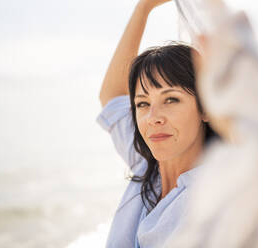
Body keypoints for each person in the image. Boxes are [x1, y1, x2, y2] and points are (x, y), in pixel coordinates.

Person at [96, 0, 220, 247]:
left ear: (206, 107)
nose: (153, 118)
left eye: (171, 99)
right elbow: (112, 96)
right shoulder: (147, 165)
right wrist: (144, 8)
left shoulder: (213, 202)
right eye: (142, 103)